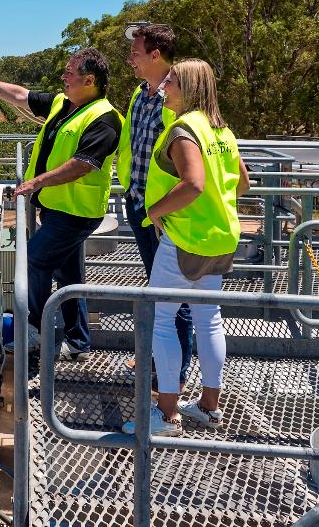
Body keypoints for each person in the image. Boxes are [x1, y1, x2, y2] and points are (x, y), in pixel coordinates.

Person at [0, 49, 122, 360]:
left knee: (33, 263)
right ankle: (79, 343)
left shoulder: (105, 119)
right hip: (58, 209)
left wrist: (37, 182)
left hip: (76, 213)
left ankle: (35, 331)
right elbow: (18, 95)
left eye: (69, 73)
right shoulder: (63, 103)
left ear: (90, 80)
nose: (63, 77)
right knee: (70, 279)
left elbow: (84, 164)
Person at [122, 58, 249, 436]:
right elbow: (242, 183)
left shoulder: (184, 130)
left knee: (162, 322)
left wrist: (155, 211)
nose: (165, 86)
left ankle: (165, 414)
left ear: (190, 87)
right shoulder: (220, 130)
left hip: (185, 239)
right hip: (221, 238)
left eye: (172, 80)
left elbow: (192, 183)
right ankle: (209, 407)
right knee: (208, 319)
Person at [116, 23, 193, 388]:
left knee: (174, 298)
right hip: (140, 204)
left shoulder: (179, 97)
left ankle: (171, 378)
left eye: (136, 52)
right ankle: (156, 357)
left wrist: (163, 210)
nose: (131, 58)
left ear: (155, 55)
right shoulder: (139, 94)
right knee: (155, 286)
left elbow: (191, 162)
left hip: (167, 213)